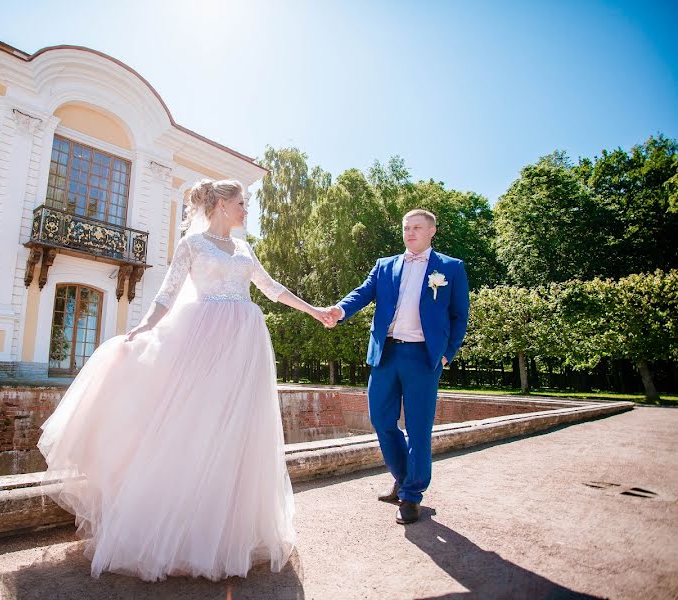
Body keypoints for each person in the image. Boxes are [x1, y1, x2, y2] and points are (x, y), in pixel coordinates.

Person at [37, 179, 333, 581]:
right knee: (195, 425)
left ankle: (229, 531)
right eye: (241, 202)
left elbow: (271, 288)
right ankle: (184, 533)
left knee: (238, 430)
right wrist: (142, 327)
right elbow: (168, 293)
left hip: (244, 342)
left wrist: (314, 310)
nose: (246, 209)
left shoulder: (245, 248)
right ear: (221, 205)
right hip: (203, 338)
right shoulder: (191, 245)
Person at [325, 209, 469, 525]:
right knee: (381, 420)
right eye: (406, 228)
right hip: (385, 355)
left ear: (432, 231)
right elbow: (362, 293)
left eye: (417, 227)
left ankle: (411, 496)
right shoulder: (385, 266)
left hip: (423, 358)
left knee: (419, 429)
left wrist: (447, 355)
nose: (410, 232)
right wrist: (340, 310)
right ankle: (404, 478)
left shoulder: (451, 268)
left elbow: (460, 316)